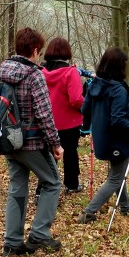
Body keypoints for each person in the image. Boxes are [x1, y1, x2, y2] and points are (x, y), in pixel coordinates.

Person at [0, 27, 63, 257]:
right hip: (32, 143)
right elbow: (44, 114)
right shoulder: (34, 76)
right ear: (34, 50)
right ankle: (39, 235)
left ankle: (12, 241)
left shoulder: (2, 71)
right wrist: (55, 143)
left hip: (7, 141)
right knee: (53, 183)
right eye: (40, 51)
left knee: (17, 188)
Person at [76, 47, 129, 224]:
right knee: (115, 178)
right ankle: (88, 212)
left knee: (117, 174)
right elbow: (118, 121)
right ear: (119, 67)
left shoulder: (95, 84)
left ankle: (125, 206)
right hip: (117, 140)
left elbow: (85, 110)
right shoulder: (118, 90)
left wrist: (88, 127)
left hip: (102, 139)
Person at [42, 38, 85, 194]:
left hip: (46, 121)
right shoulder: (70, 72)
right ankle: (72, 184)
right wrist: (86, 105)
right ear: (67, 52)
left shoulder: (41, 71)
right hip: (69, 122)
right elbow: (76, 99)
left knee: (48, 154)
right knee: (70, 153)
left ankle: (46, 185)